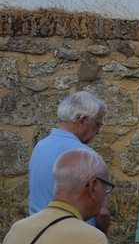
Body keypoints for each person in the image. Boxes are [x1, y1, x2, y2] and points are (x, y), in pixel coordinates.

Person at [27, 91, 111, 233]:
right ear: (82, 121)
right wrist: (101, 237)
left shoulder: (40, 146)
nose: (98, 132)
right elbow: (102, 212)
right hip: (74, 237)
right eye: (97, 125)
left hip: (36, 233)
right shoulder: (85, 156)